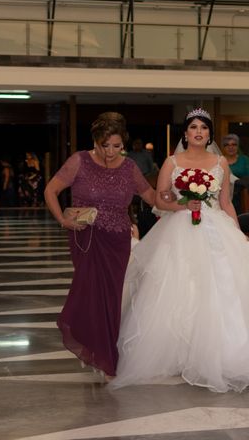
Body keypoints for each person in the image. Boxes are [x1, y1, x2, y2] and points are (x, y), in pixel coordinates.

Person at [113, 108, 249, 393]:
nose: (198, 132)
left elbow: (227, 203)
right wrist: (183, 204)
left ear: (209, 135)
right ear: (185, 132)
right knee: (180, 285)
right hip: (180, 228)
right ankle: (179, 354)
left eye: (204, 128)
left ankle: (230, 353)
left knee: (227, 286)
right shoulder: (172, 162)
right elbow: (160, 199)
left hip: (216, 227)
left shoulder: (220, 162)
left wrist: (237, 231)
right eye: (193, 127)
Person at [44, 113, 156, 378]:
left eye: (116, 146)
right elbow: (51, 190)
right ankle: (95, 349)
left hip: (118, 239)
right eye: (104, 145)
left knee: (112, 297)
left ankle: (106, 356)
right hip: (87, 237)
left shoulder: (129, 167)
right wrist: (62, 220)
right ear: (95, 141)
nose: (110, 152)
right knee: (90, 293)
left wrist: (177, 201)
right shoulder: (79, 161)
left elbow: (150, 195)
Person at [222, 133, 249, 214]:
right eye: (227, 145)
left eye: (234, 144)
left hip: (241, 197)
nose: (231, 147)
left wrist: (237, 183)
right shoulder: (220, 160)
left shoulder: (244, 159)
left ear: (238, 146)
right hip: (223, 195)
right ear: (223, 147)